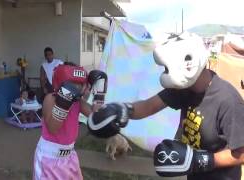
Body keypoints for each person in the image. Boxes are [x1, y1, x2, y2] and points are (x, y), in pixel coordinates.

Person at [87, 32, 244, 180]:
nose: (165, 72)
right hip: (195, 175)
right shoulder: (185, 89)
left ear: (189, 65)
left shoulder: (228, 101)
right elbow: (149, 106)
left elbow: (241, 153)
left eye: (167, 68)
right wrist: (121, 110)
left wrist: (200, 159)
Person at [33, 64, 107, 180]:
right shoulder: (50, 98)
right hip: (49, 157)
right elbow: (53, 128)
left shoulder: (78, 102)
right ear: (61, 82)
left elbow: (97, 117)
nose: (76, 87)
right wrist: (64, 102)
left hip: (69, 155)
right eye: (72, 83)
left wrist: (99, 96)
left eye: (80, 84)